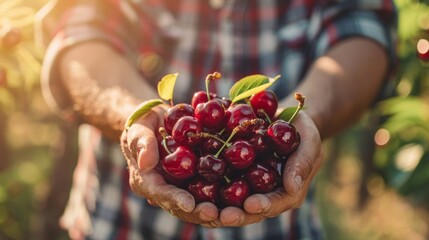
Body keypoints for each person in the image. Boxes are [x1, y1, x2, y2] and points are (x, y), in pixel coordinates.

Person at [36, 0, 397, 239]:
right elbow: (82, 29)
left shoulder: (252, 136)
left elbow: (363, 25)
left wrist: (309, 114)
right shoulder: (187, 136)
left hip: (279, 227)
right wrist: (135, 115)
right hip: (119, 223)